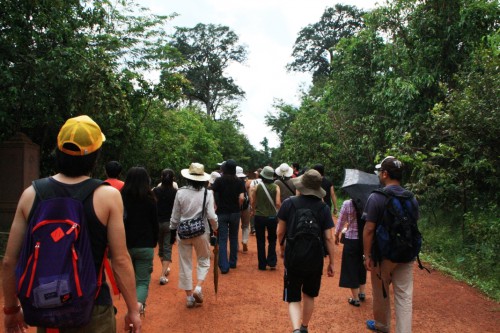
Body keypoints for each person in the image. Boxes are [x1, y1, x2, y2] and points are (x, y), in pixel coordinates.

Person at [2, 115, 141, 333]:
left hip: (48, 307)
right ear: (95, 157)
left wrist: (10, 310)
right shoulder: (108, 196)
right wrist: (133, 309)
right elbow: (120, 260)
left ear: (58, 151)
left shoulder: (31, 195)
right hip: (92, 309)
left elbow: (10, 261)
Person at [363, 156, 419, 333]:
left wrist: (367, 255)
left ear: (385, 174)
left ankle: (382, 326)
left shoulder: (376, 197)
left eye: (381, 171)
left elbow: (369, 229)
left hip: (383, 256)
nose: (380, 174)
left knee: (381, 292)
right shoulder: (411, 198)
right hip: (406, 254)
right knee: (404, 296)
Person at [277, 169, 335, 333]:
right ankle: (304, 327)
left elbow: (280, 232)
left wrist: (281, 248)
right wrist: (332, 262)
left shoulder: (289, 203)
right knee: (309, 294)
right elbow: (329, 238)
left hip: (293, 256)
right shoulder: (323, 208)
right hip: (315, 258)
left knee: (294, 296)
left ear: (301, 186)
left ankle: (296, 330)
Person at [169, 163, 218, 308]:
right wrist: (216, 227)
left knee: (185, 264)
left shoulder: (180, 192)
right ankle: (198, 287)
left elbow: (175, 215)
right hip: (201, 232)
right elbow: (211, 215)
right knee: (204, 259)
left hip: (183, 232)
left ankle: (190, 298)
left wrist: (173, 230)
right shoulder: (207, 193)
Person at [122, 166, 159, 317]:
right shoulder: (150, 199)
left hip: (124, 246)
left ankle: (132, 307)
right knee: (142, 281)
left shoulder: (120, 197)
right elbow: (154, 223)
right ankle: (138, 307)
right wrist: (154, 241)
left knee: (129, 281)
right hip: (145, 245)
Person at [211, 159, 245, 273]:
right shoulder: (239, 182)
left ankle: (224, 267)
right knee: (234, 237)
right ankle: (233, 263)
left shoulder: (219, 180)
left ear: (224, 168)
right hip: (235, 213)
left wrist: (215, 204)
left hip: (222, 213)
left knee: (223, 239)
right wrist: (238, 206)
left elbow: (211, 191)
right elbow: (241, 197)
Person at [334, 199, 366, 307]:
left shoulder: (347, 203)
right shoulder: (368, 203)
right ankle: (362, 293)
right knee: (362, 265)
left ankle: (355, 298)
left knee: (351, 267)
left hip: (351, 240)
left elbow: (341, 220)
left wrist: (336, 234)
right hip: (364, 240)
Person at [250, 166, 281, 270]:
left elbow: (253, 201)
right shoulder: (276, 187)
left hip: (259, 216)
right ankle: (272, 262)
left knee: (260, 240)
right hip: (272, 217)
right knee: (272, 239)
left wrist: (253, 210)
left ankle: (262, 264)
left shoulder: (258, 186)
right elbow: (277, 203)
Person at [153, 169, 177, 285]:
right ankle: (163, 275)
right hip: (170, 223)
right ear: (173, 179)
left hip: (157, 223)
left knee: (161, 248)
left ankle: (165, 268)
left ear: (161, 177)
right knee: (168, 247)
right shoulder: (175, 192)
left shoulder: (155, 191)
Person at [236, 166, 251, 252]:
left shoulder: (232, 183)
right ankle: (245, 241)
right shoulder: (246, 182)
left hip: (235, 207)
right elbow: (249, 195)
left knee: (235, 227)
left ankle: (236, 245)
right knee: (245, 225)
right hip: (246, 206)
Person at [249, 168, 263, 235]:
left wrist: (251, 201)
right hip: (263, 200)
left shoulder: (254, 182)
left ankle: (253, 228)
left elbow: (251, 191)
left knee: (252, 213)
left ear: (258, 174)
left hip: (255, 199)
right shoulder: (265, 181)